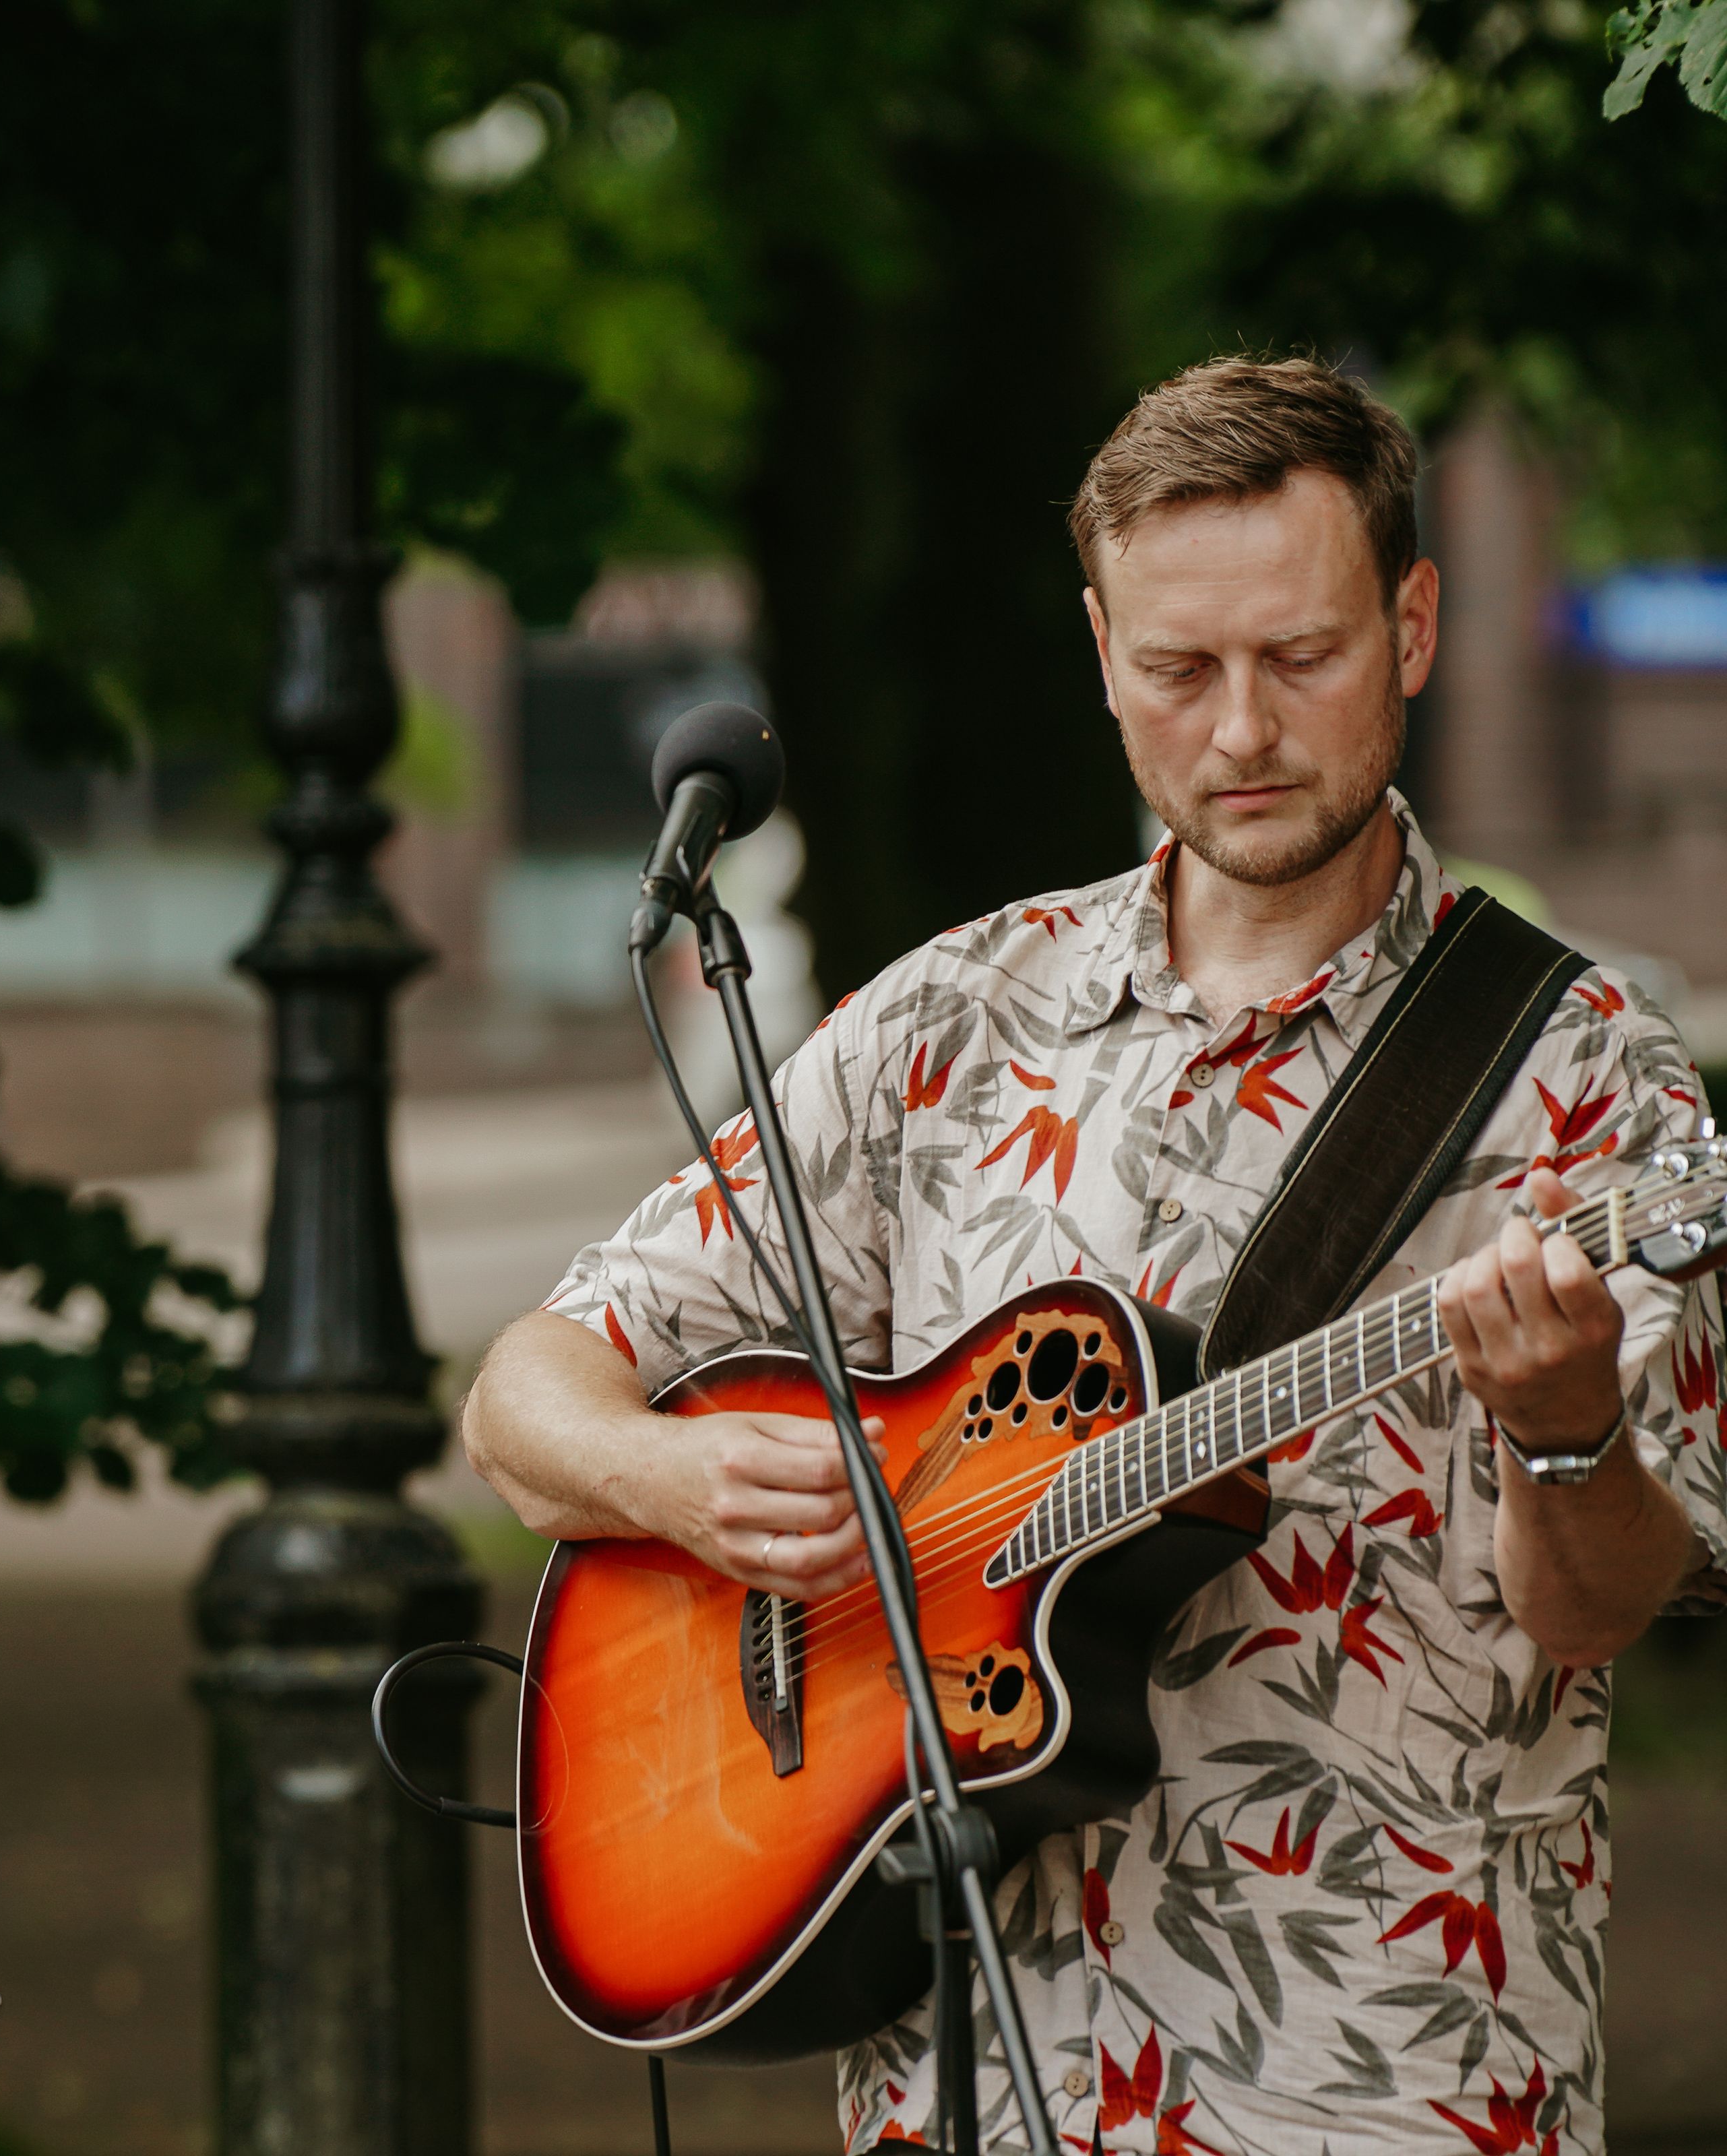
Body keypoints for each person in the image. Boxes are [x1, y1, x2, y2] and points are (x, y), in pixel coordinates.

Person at [462, 358, 1727, 2154]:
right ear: (1099, 650)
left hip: (1395, 2069)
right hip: (972, 2071)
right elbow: (526, 1393)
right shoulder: (953, 1026)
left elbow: (1603, 1607)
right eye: (1177, 670)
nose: (1242, 734)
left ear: (1416, 625)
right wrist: (671, 1471)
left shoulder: (1592, 1073)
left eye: (1303, 657)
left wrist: (1565, 1423)